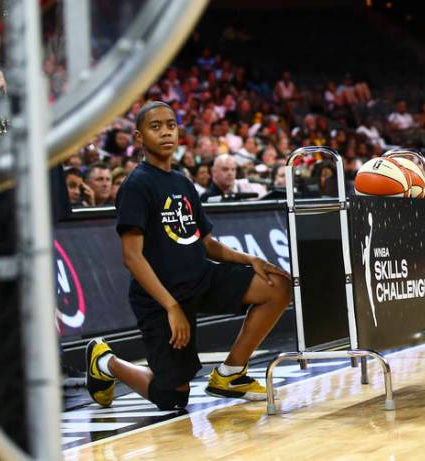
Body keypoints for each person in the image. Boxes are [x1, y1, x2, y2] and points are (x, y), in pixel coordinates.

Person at [84, 101, 292, 412]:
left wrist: (249, 260)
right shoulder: (136, 185)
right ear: (138, 138)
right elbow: (132, 257)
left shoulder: (182, 181)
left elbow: (206, 243)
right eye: (156, 127)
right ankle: (105, 361)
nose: (166, 131)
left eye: (170, 125)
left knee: (278, 284)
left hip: (199, 277)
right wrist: (171, 307)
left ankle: (230, 374)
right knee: (173, 397)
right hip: (161, 296)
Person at [201, 154, 267, 202]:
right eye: (225, 169)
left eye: (233, 169)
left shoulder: (239, 191)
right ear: (214, 172)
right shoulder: (207, 198)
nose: (230, 173)